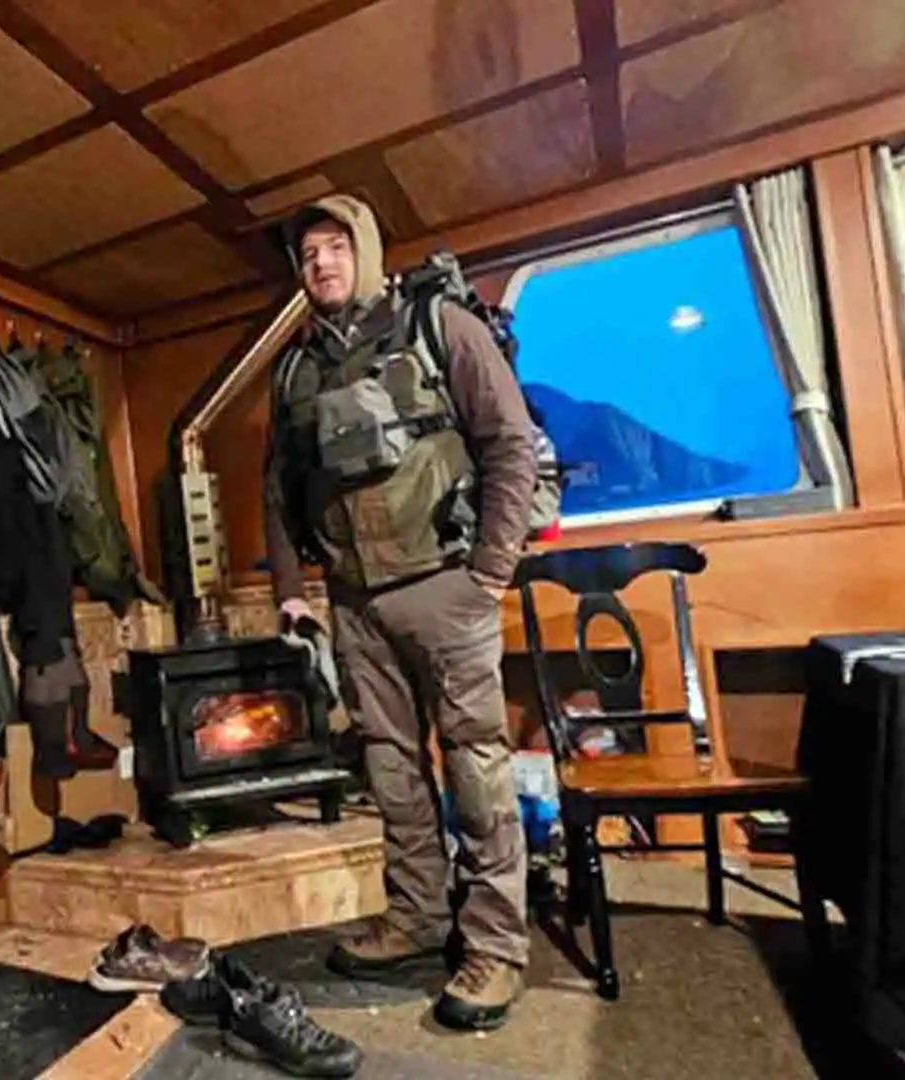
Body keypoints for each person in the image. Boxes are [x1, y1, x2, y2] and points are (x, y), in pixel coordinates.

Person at [264, 194, 537, 1031]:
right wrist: (292, 589)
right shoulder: (294, 369)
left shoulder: (440, 325)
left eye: (335, 246)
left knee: (476, 769)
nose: (320, 263)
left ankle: (494, 945)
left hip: (446, 586)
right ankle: (418, 916)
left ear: (367, 250)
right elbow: (278, 489)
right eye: (307, 254)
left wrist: (489, 571)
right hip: (354, 602)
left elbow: (511, 443)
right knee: (389, 769)